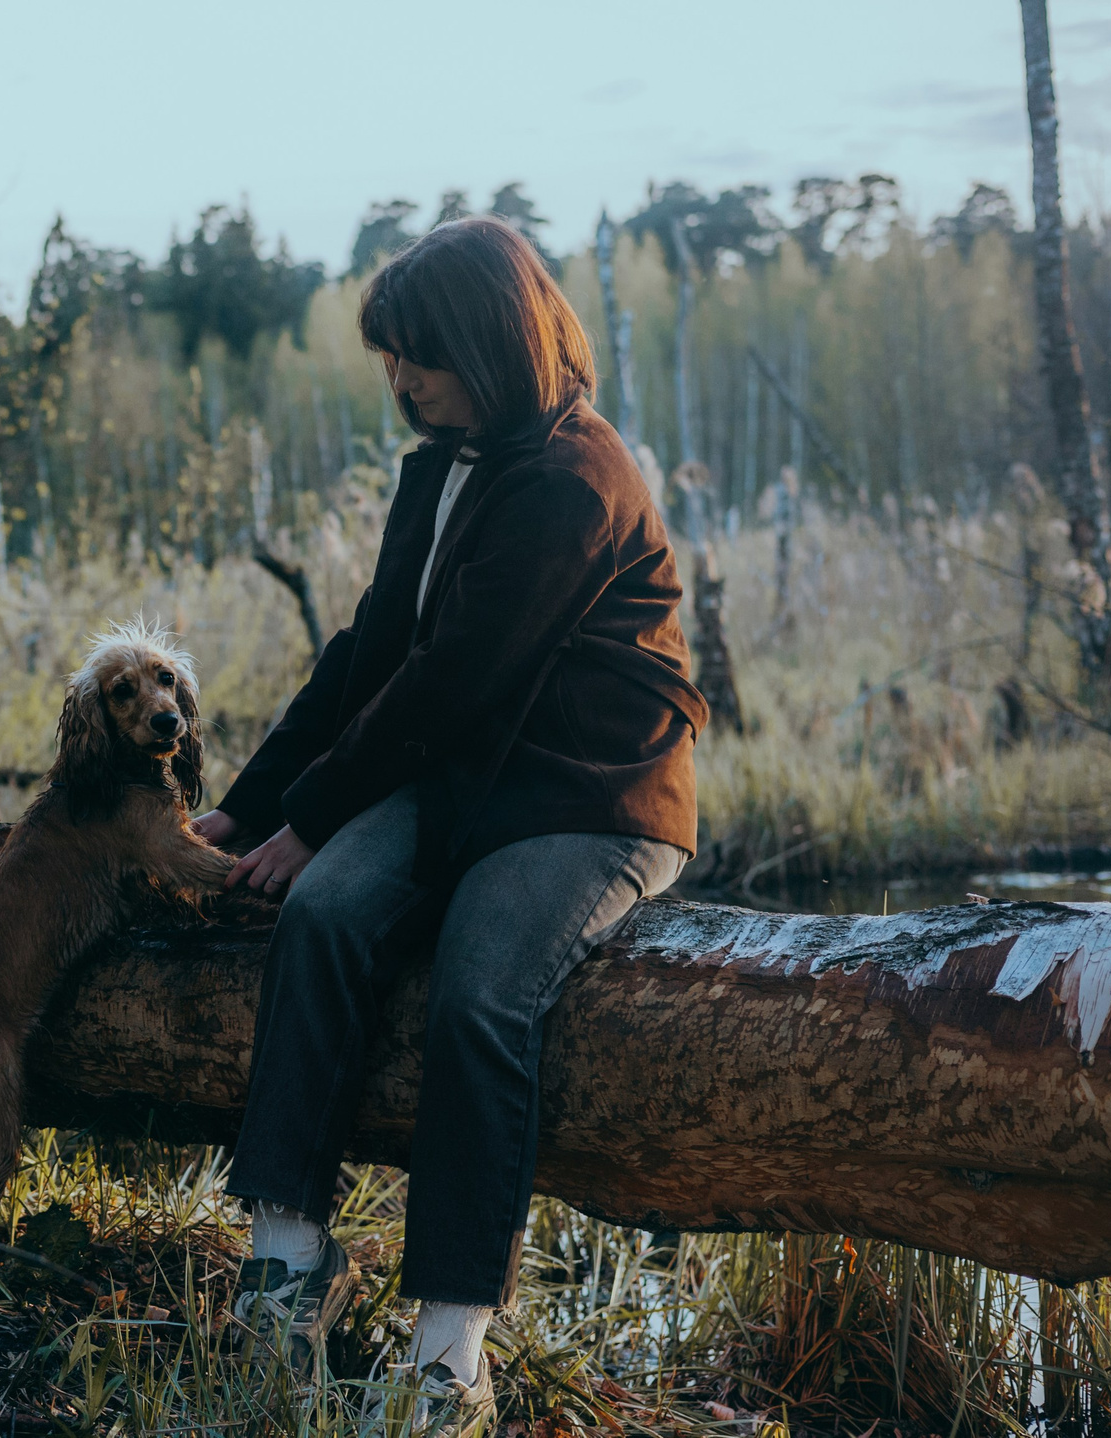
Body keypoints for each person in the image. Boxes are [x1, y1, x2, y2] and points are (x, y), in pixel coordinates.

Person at [190, 215, 706, 1433]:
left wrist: (314, 814)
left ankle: (447, 1349)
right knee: (317, 915)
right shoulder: (443, 462)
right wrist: (253, 805)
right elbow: (371, 653)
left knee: (480, 990)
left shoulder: (577, 479)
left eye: (416, 354)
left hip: (589, 790)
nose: (400, 379)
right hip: (463, 774)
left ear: (487, 341)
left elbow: (450, 680)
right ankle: (283, 1259)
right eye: (391, 357)